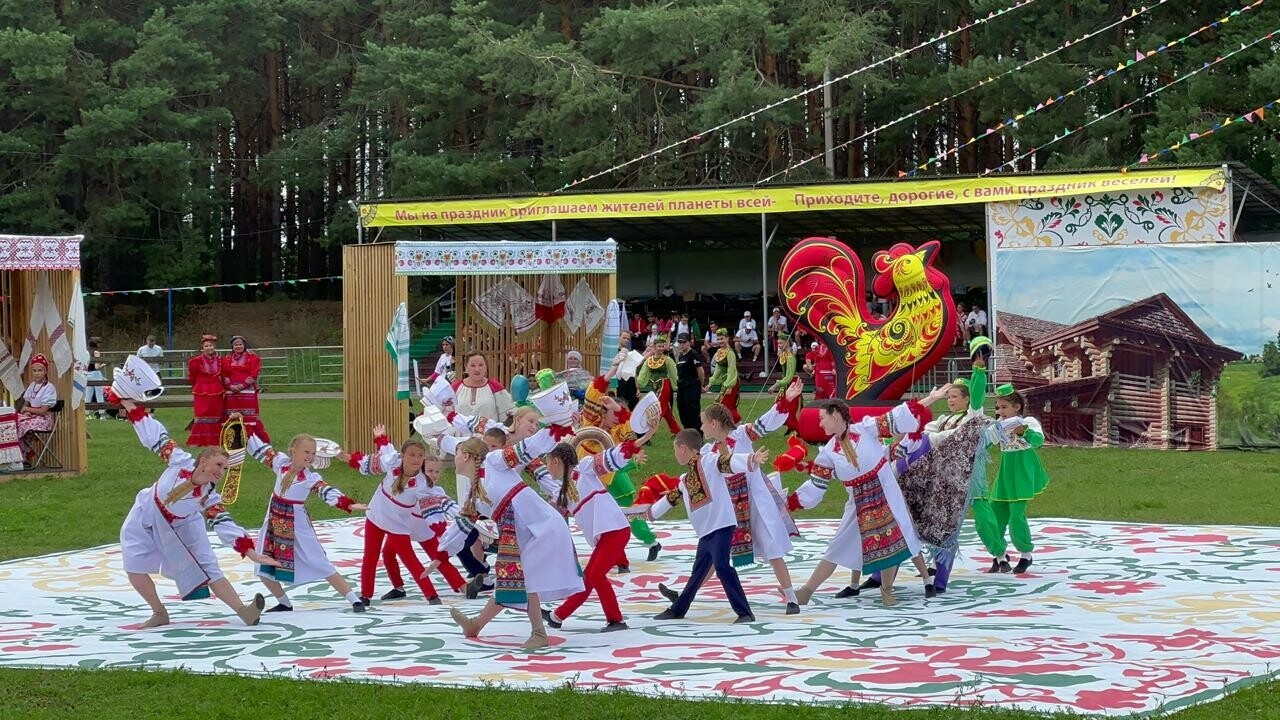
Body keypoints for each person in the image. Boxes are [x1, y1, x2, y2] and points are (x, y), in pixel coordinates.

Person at [115, 398, 271, 628]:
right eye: (218, 465)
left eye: (225, 468)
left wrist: (251, 552)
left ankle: (244, 612)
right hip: (146, 513)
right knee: (133, 564)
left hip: (184, 524)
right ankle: (159, 612)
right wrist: (129, 405)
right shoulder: (179, 460)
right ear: (204, 461)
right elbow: (155, 437)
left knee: (210, 566)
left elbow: (223, 522)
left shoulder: (209, 496)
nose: (221, 472)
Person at [661, 381, 804, 614]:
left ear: (714, 423)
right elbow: (694, 474)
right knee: (715, 554)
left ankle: (792, 598)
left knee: (771, 546)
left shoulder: (742, 434)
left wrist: (786, 400)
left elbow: (767, 421)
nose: (701, 427)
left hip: (754, 501)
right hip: (729, 506)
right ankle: (686, 593)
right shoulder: (709, 451)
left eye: (703, 422)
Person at [787, 399, 937, 607]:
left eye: (822, 418)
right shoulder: (828, 452)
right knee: (837, 546)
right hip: (857, 502)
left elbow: (896, 416)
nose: (820, 424)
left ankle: (887, 591)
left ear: (836, 416)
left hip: (885, 492)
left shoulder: (866, 428)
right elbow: (816, 483)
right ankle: (806, 591)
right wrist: (792, 502)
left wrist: (929, 400)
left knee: (891, 541)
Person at [447, 423, 583, 650]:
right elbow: (460, 527)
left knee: (524, 578)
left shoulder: (494, 462)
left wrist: (552, 431)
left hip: (544, 527)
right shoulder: (474, 493)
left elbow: (525, 449)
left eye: (458, 453)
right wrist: (439, 555)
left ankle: (539, 633)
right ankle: (475, 626)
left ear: (468, 456)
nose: (454, 458)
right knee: (509, 581)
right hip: (528, 533)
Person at [542, 428, 655, 632]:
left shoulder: (585, 468)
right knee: (592, 577)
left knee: (593, 577)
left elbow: (613, 457)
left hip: (615, 531)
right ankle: (559, 616)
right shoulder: (561, 491)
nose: (546, 466)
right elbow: (548, 515)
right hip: (607, 534)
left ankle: (612, 620)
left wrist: (642, 440)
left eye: (547, 461)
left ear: (556, 461)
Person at [648, 429, 767, 624]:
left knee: (721, 566)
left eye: (675, 449)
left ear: (683, 449)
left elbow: (727, 462)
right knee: (698, 573)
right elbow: (671, 499)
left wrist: (751, 459)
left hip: (721, 525)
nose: (675, 454)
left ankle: (745, 612)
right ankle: (678, 609)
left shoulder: (709, 461)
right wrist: (649, 514)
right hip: (706, 532)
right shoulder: (685, 480)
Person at [247, 431, 370, 613]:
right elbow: (262, 450)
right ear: (293, 451)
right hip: (273, 519)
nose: (310, 457)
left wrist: (348, 504)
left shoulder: (310, 478)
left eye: (313, 453)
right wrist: (246, 431)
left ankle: (353, 599)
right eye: (306, 452)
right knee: (263, 564)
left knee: (318, 560)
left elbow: (325, 491)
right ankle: (284, 603)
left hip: (297, 523)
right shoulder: (280, 463)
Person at [978, 384, 1050, 575]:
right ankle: (999, 555)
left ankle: (1026, 554)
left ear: (1017, 407)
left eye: (1004, 407)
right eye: (998, 408)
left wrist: (1022, 431)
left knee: (1016, 516)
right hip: (1006, 473)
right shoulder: (998, 425)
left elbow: (1038, 441)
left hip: (1023, 471)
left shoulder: (1027, 421)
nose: (1000, 411)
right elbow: (985, 443)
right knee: (993, 514)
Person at [221, 335, 269, 442]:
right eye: (236, 345)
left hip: (247, 391)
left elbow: (254, 374)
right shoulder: (226, 359)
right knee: (231, 414)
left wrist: (242, 385)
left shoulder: (253, 358)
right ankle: (233, 437)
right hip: (231, 392)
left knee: (248, 415)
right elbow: (224, 374)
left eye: (240, 344)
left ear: (244, 346)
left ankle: (251, 437)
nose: (238, 346)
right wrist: (230, 386)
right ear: (232, 347)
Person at [451, 352, 514, 424]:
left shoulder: (495, 387)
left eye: (481, 365)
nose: (477, 369)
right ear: (466, 367)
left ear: (486, 367)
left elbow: (508, 415)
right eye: (473, 366)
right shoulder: (455, 387)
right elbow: (447, 414)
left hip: (488, 434)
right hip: (461, 434)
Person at [17, 354, 58, 467]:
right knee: (14, 422)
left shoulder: (49, 388)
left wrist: (27, 409)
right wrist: (26, 411)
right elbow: (26, 404)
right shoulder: (32, 386)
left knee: (24, 425)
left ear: (45, 371)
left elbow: (43, 411)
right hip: (32, 417)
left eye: (40, 370)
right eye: (34, 370)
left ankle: (25, 455)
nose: (37, 373)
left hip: (44, 419)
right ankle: (19, 455)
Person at [636, 334, 681, 434]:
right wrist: (638, 384)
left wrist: (676, 388)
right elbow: (643, 373)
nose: (661, 348)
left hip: (665, 385)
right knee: (666, 411)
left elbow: (673, 374)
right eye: (659, 346)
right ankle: (677, 431)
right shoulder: (649, 360)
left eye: (663, 346)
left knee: (658, 408)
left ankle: (649, 431)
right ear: (654, 347)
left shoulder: (668, 360)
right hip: (653, 387)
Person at [186, 335, 224, 447]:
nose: (209, 348)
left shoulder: (220, 360)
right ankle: (199, 439)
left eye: (210, 345)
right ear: (203, 348)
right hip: (201, 390)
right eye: (206, 346)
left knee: (215, 414)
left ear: (214, 347)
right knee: (202, 414)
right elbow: (192, 376)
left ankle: (214, 439)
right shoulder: (196, 361)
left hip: (217, 390)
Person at [768, 334, 801, 434]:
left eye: (781, 343)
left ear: (787, 343)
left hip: (791, 383)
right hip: (786, 382)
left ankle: (797, 430)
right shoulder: (784, 355)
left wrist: (775, 385)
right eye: (778, 343)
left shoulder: (790, 357)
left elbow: (789, 376)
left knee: (791, 408)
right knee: (780, 404)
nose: (779, 345)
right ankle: (788, 426)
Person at [706, 328, 741, 423]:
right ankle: (735, 425)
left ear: (727, 338)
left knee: (725, 405)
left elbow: (731, 369)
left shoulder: (730, 353)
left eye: (722, 339)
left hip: (731, 381)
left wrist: (729, 385)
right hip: (725, 381)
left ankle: (734, 425)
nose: (720, 341)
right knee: (724, 405)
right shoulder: (719, 352)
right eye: (718, 339)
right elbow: (719, 369)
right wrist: (711, 382)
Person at [674, 333, 705, 432]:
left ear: (689, 342)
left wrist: (700, 385)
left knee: (693, 412)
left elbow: (701, 371)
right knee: (682, 411)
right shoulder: (680, 356)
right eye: (680, 342)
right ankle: (688, 433)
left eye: (684, 342)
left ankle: (697, 435)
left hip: (691, 386)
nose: (682, 344)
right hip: (681, 387)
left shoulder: (693, 355)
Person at [613, 331, 640, 409]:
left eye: (628, 339)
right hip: (618, 382)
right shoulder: (613, 352)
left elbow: (633, 371)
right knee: (619, 407)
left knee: (634, 408)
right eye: (624, 338)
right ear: (619, 337)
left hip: (630, 383)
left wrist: (637, 387)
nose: (626, 340)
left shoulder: (630, 353)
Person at [86, 338, 107, 420]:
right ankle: (102, 414)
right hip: (96, 374)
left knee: (88, 395)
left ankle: (86, 414)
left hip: (88, 374)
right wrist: (103, 364)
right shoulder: (96, 352)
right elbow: (97, 367)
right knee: (99, 394)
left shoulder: (86, 353)